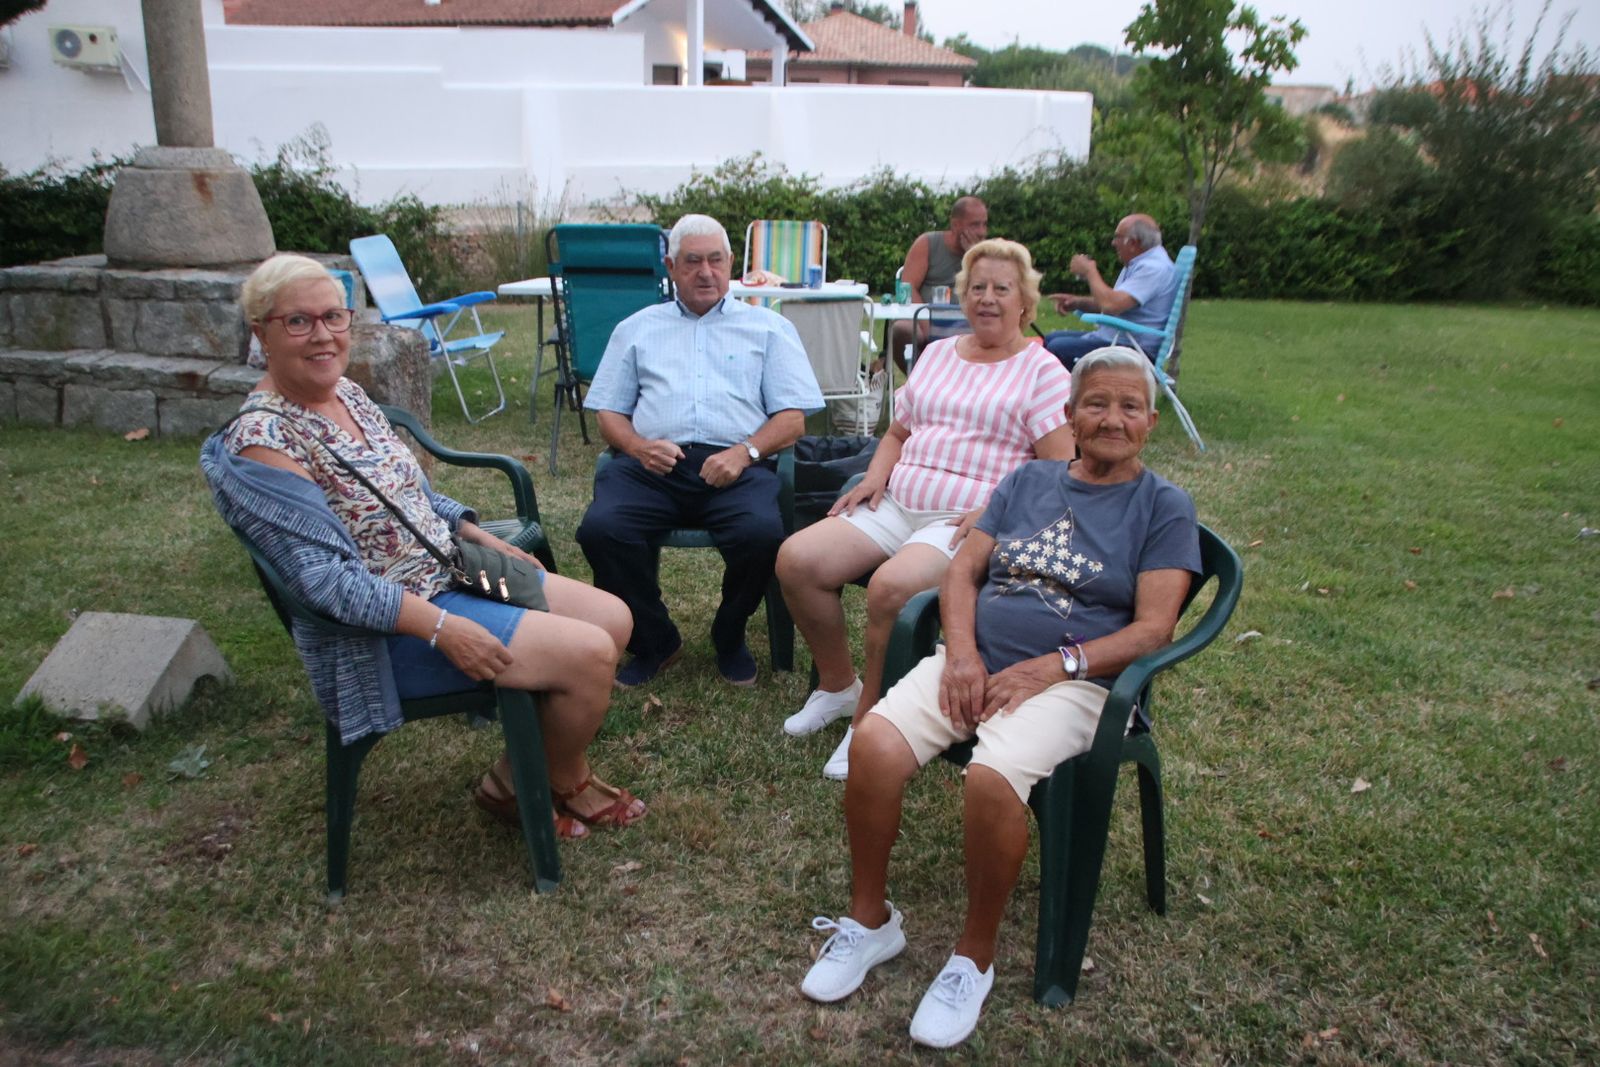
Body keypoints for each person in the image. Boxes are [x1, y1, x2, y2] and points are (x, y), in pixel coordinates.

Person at [798, 346, 1200, 1049]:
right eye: (1096, 404)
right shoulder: (1026, 480)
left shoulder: (1163, 505)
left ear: (1151, 421)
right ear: (1069, 416)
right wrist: (963, 652)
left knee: (989, 778)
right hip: (976, 662)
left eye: (1129, 406)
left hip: (1079, 685)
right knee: (874, 744)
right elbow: (963, 574)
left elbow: (1153, 627)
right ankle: (870, 923)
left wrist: (1055, 664)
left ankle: (971, 957)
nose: (1112, 418)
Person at [201, 254, 645, 840]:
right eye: (298, 322)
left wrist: (483, 537)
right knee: (588, 655)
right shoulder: (262, 442)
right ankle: (565, 781)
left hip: (451, 570)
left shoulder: (348, 395)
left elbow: (414, 497)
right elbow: (325, 582)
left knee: (613, 618)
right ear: (261, 333)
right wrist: (442, 629)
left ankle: (515, 778)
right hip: (386, 631)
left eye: (334, 317)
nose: (323, 335)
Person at [776, 239, 1074, 781]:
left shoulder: (1043, 371)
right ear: (962, 295)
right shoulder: (938, 353)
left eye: (1001, 289)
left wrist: (993, 508)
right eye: (977, 287)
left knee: (891, 588)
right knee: (797, 560)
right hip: (897, 500)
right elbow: (897, 430)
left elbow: (1058, 468)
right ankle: (837, 685)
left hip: (964, 521)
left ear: (1025, 303)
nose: (987, 298)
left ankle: (869, 721)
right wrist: (873, 477)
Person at [576, 214, 824, 688]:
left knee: (761, 534)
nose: (705, 272)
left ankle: (729, 635)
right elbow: (608, 412)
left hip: (737, 464)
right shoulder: (636, 328)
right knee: (601, 530)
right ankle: (655, 640)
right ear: (671, 266)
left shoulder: (768, 328)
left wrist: (745, 452)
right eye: (692, 261)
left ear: (732, 264)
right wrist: (636, 447)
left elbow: (792, 420)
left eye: (715, 260)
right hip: (652, 465)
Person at [1043, 214, 1178, 370]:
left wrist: (1090, 271)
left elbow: (1110, 305)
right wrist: (1077, 302)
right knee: (1050, 339)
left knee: (1058, 348)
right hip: (1118, 340)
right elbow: (1116, 302)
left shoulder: (1153, 268)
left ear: (1133, 243)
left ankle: (1069, 393)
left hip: (1134, 349)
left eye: (1117, 238)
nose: (1113, 243)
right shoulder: (1140, 263)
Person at [885, 196, 990, 371]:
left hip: (967, 322)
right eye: (974, 225)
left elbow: (988, 291)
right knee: (901, 329)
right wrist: (926, 322)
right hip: (928, 320)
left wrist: (973, 256)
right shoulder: (928, 244)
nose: (981, 232)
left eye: (984, 224)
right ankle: (918, 381)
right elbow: (908, 287)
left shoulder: (986, 254)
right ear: (955, 225)